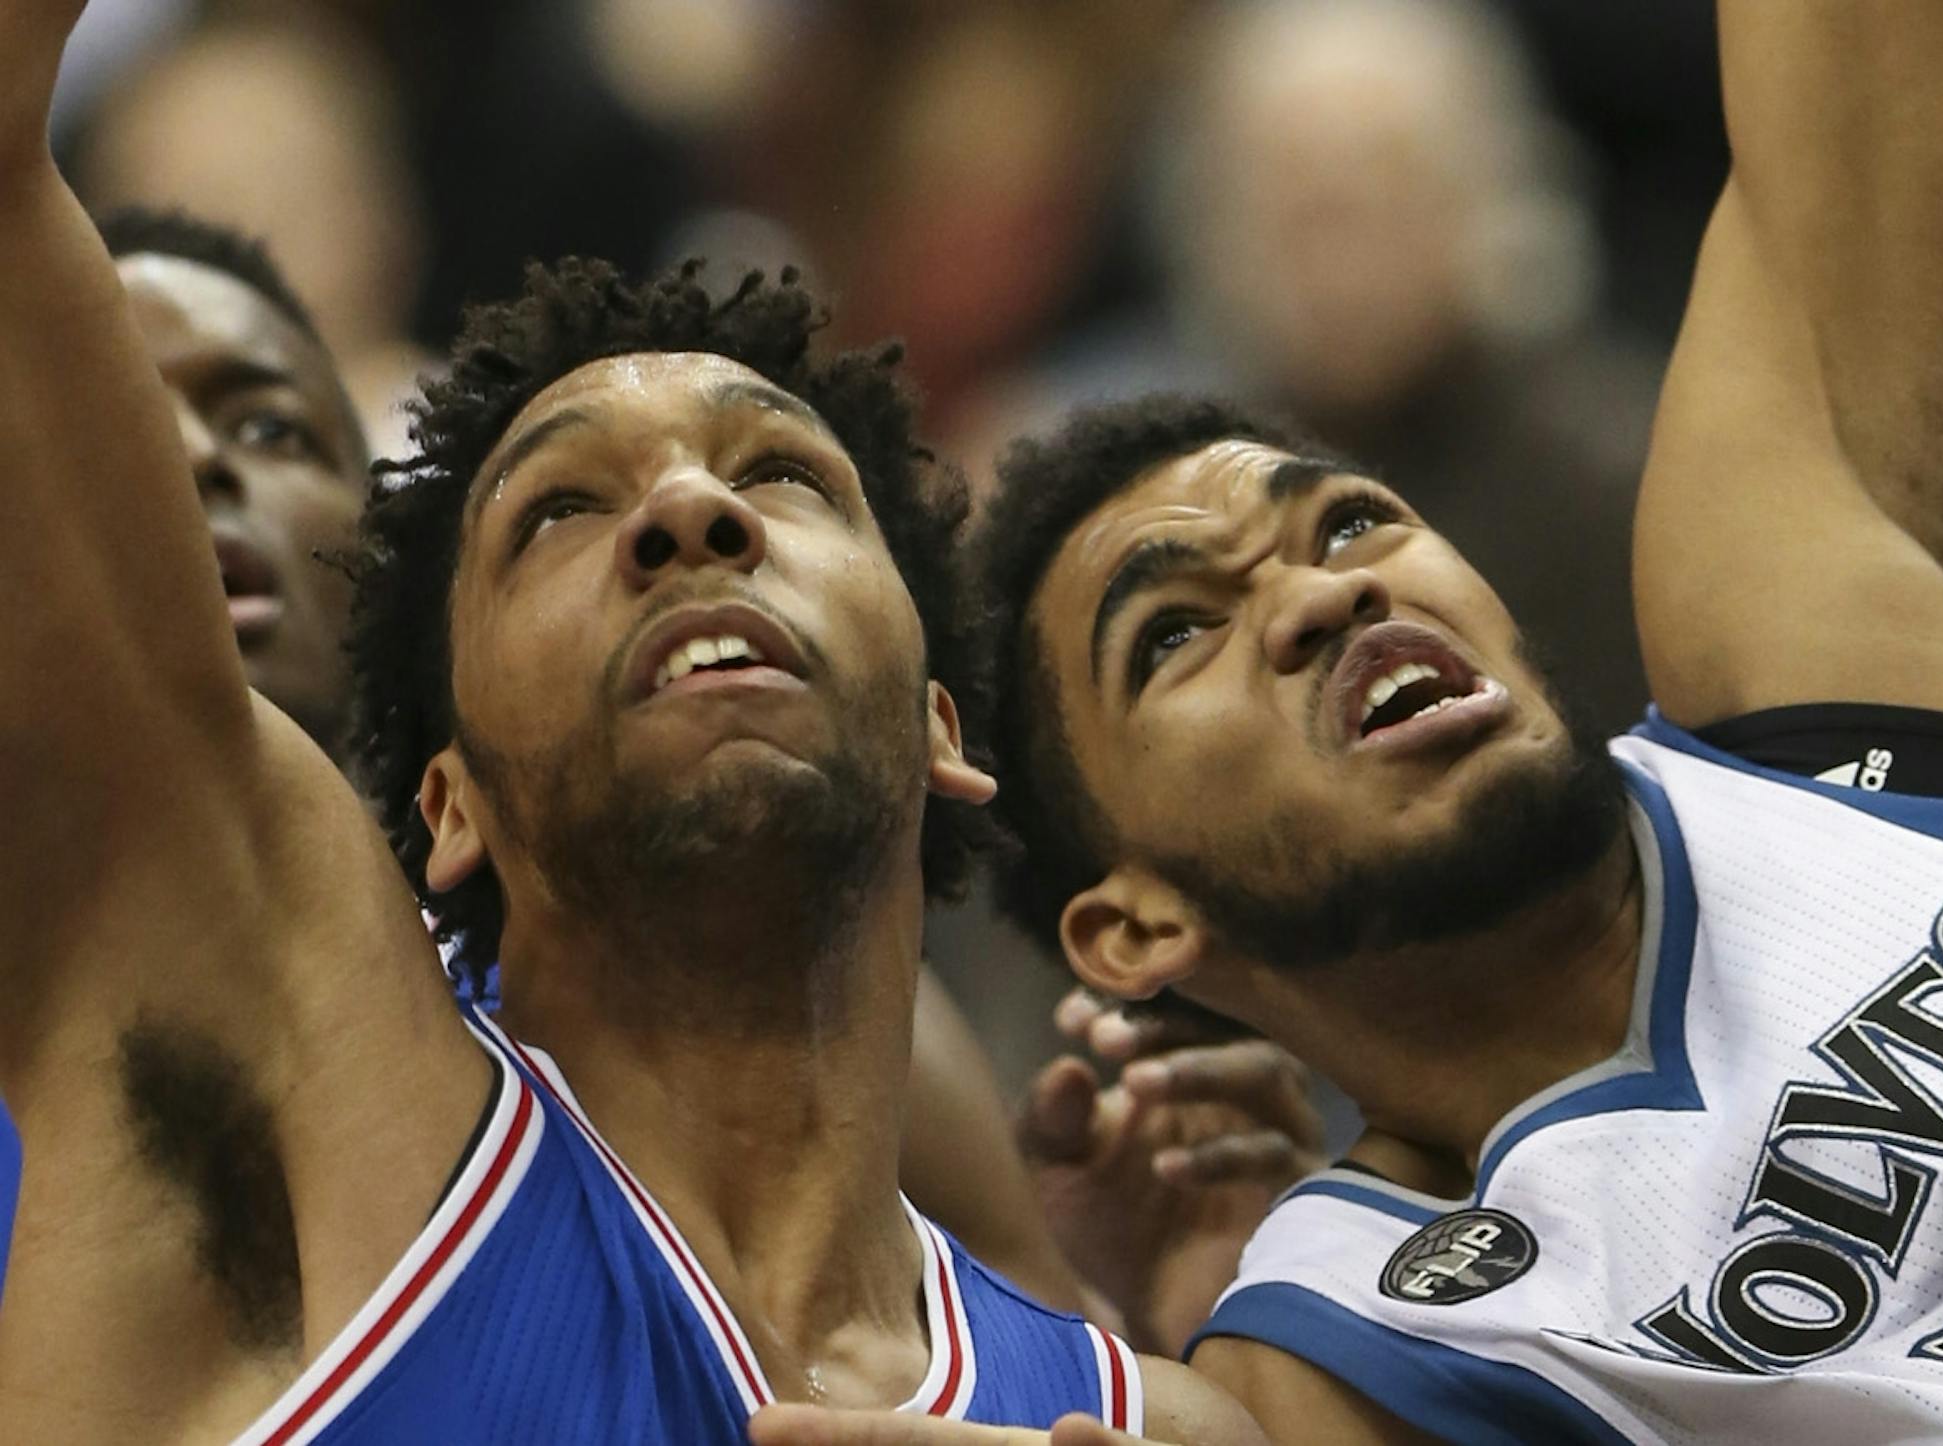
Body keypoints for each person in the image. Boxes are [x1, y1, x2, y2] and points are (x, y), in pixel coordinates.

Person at [0, 2, 1264, 1437]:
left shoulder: (1146, 1416)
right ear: (447, 803)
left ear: (940, 728)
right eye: (559, 511)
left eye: (784, 477)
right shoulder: (291, 1075)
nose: (690, 510)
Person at [949, 1, 1943, 1442]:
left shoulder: (1816, 676)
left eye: (1349, 521)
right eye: (1178, 632)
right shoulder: (1340, 1348)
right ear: (1134, 926)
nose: (1317, 597)